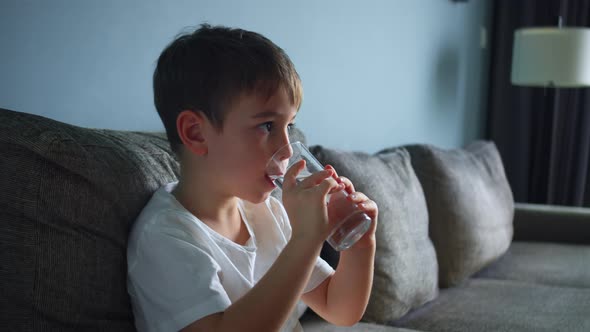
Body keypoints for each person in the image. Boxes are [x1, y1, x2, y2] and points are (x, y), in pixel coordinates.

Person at [127, 24, 378, 332]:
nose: (287, 149)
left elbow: (340, 310)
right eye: (267, 126)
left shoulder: (269, 215)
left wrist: (360, 246)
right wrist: (305, 239)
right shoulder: (166, 237)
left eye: (289, 127)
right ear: (196, 133)